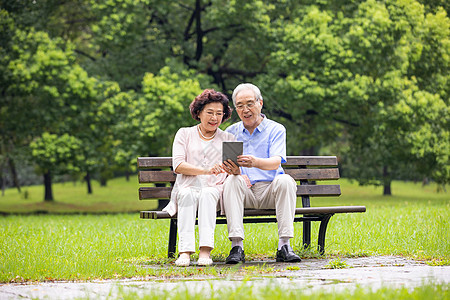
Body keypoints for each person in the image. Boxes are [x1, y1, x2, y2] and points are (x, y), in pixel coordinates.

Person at [222, 83, 301, 264]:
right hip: (244, 192)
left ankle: (284, 246)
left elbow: (275, 162)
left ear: (260, 103)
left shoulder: (276, 129)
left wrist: (254, 162)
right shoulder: (230, 132)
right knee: (232, 181)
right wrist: (235, 173)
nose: (245, 109)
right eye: (240, 105)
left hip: (270, 191)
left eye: (250, 104)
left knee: (286, 180)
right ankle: (236, 246)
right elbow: (226, 167)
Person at [163, 89, 235, 267]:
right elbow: (178, 165)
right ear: (198, 113)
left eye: (219, 113)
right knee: (187, 195)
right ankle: (185, 252)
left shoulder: (229, 138)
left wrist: (231, 169)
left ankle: (205, 251)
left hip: (215, 190)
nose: (214, 118)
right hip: (187, 187)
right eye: (210, 112)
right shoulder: (184, 134)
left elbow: (234, 170)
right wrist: (206, 170)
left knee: (208, 193)